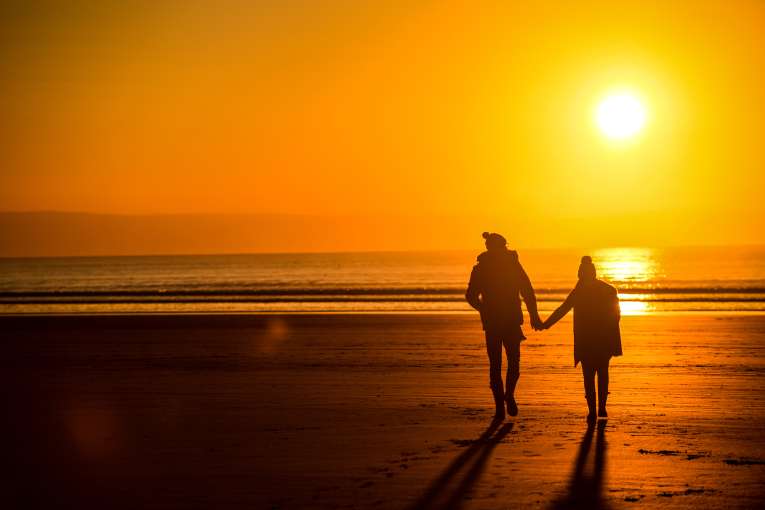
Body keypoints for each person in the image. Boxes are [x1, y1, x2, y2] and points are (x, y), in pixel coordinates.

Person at [466, 232, 543, 420]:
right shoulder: (492, 267)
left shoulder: (505, 266)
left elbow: (526, 290)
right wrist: (533, 315)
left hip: (503, 321)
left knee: (505, 364)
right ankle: (502, 403)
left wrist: (533, 315)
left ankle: (506, 399)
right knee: (506, 364)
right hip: (502, 321)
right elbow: (527, 290)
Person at [542, 256, 622, 422]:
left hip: (586, 339)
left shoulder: (579, 291)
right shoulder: (608, 289)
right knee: (603, 372)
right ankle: (601, 408)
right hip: (604, 339)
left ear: (581, 274)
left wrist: (546, 324)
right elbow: (616, 315)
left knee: (588, 375)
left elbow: (563, 309)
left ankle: (593, 410)